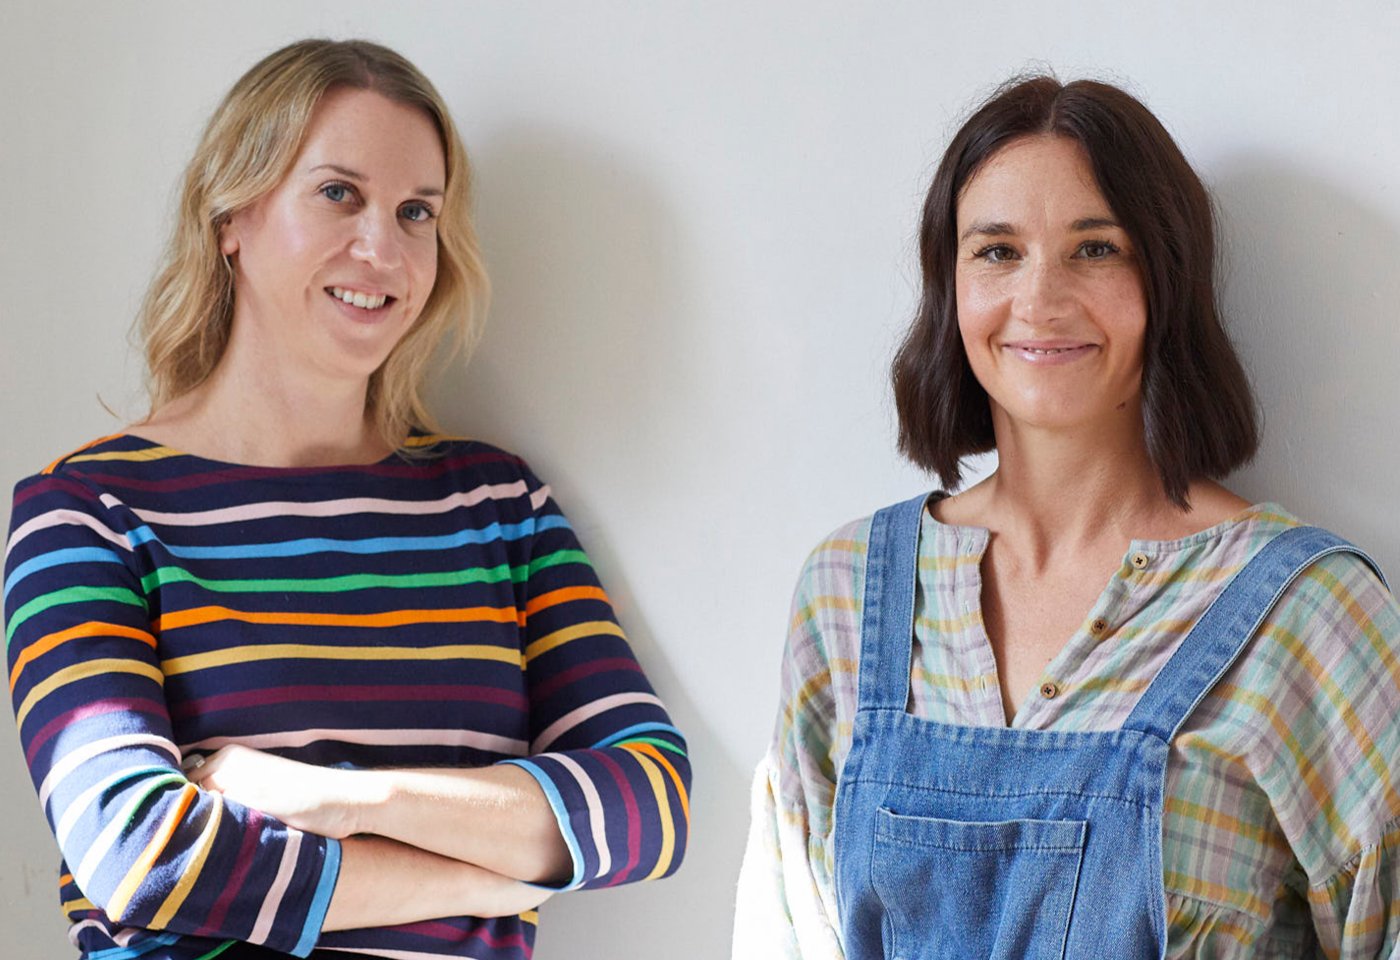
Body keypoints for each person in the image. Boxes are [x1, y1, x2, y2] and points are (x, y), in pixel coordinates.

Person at [4, 39, 689, 960]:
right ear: (230, 217)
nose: (385, 249)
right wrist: (493, 872)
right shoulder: (85, 511)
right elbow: (139, 852)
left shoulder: (496, 503)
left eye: (416, 212)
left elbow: (649, 802)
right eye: (339, 194)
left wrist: (346, 798)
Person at [732, 76, 1400, 958]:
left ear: (1165, 277)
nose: (1039, 299)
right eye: (998, 252)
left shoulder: (1310, 616)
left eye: (1095, 249)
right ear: (951, 287)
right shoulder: (846, 593)